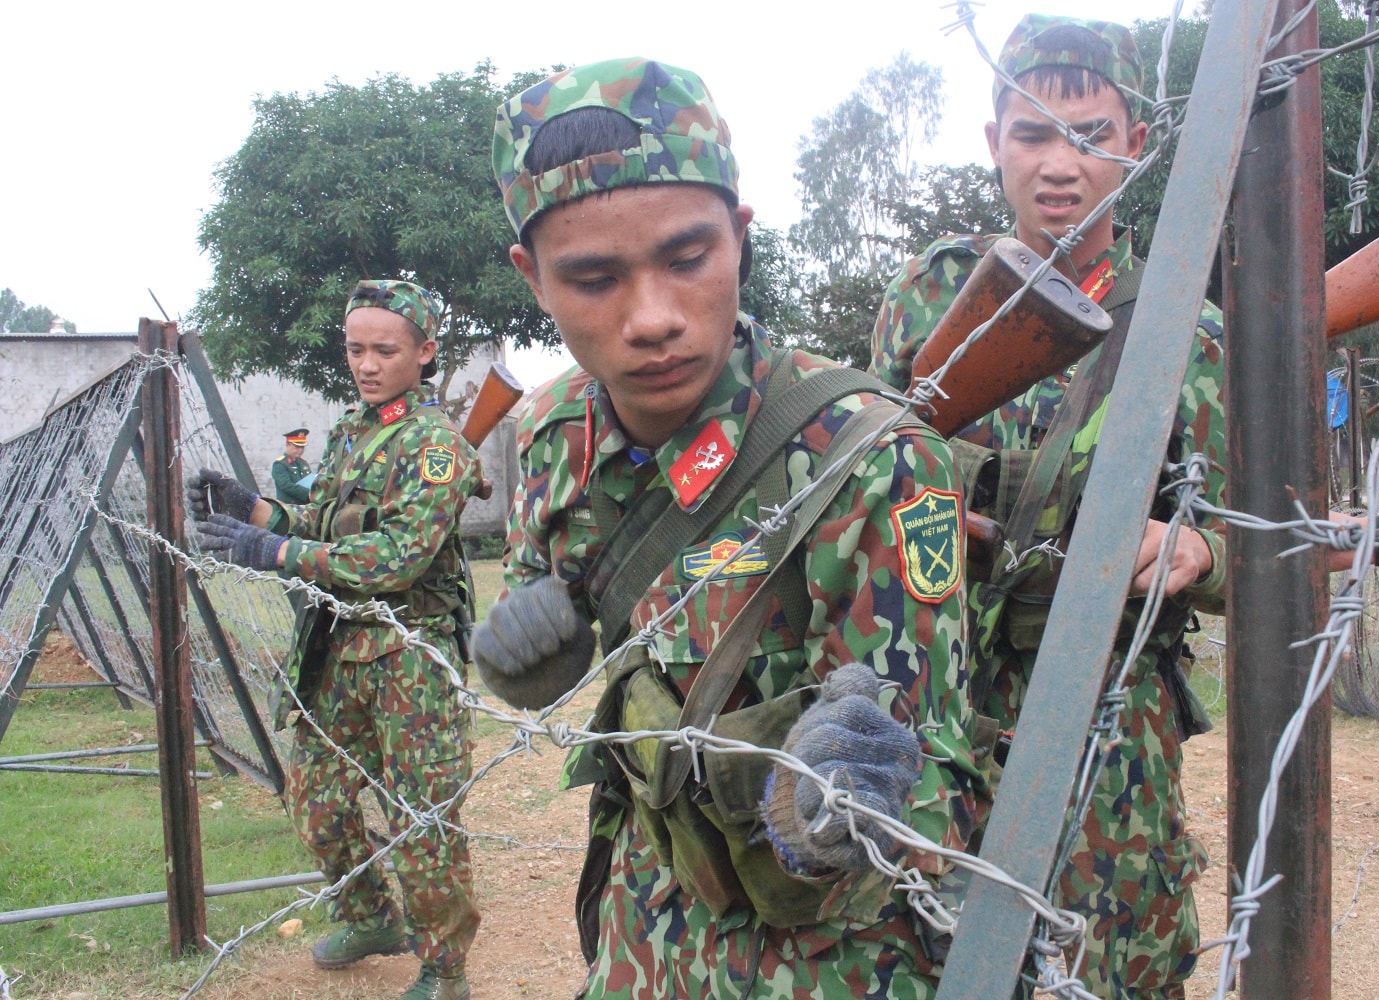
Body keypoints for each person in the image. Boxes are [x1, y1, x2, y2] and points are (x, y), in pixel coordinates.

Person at [472, 57, 983, 998]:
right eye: (593, 279)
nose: (652, 319)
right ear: (532, 278)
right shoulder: (554, 439)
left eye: (686, 258)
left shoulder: (867, 456)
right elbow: (562, 624)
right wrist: (524, 659)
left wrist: (843, 794)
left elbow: (935, 771)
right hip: (641, 923)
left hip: (825, 961)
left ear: (740, 237)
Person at [868, 15, 1227, 998]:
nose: (1060, 163)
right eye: (1032, 133)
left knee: (1111, 960)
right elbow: (876, 475)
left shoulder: (1184, 322)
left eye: (1092, 133)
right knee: (928, 943)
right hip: (944, 694)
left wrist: (1196, 548)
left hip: (1110, 714)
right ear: (993, 144)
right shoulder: (933, 293)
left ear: (1137, 147)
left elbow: (1258, 540)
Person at [189, 279, 481, 1000]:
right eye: (356, 348)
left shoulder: (437, 445)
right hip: (340, 650)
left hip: (412, 656)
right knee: (315, 802)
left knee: (422, 817)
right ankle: (370, 915)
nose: (367, 363)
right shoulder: (353, 431)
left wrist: (276, 553)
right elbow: (320, 529)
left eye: (385, 349)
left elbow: (401, 556)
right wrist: (256, 509)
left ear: (425, 352)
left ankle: (445, 969)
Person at [272, 428, 314, 503]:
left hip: (306, 506)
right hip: (289, 507)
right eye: (297, 447)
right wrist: (310, 493)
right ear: (288, 445)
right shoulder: (280, 464)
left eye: (302, 447)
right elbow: (286, 486)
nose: (300, 450)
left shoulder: (303, 463)